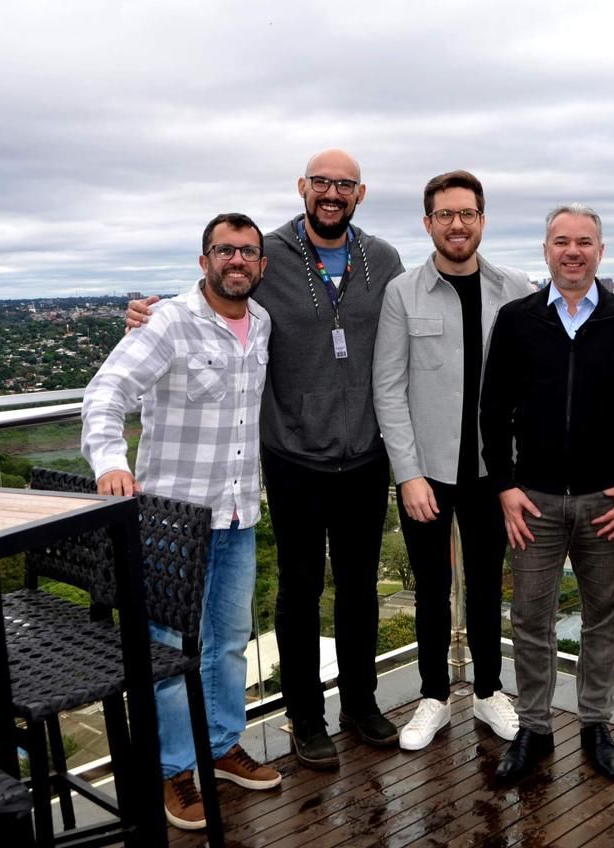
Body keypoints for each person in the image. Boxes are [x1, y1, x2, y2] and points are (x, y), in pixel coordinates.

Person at [127, 150, 405, 769]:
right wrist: (146, 315)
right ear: (303, 188)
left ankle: (361, 704)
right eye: (322, 183)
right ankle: (305, 717)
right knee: (300, 591)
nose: (333, 194)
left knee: (359, 589)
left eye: (346, 185)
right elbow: (213, 293)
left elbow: (416, 318)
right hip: (292, 458)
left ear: (361, 194)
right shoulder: (269, 254)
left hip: (365, 455)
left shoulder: (382, 259)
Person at [83, 213, 282, 831]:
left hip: (238, 514)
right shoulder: (168, 321)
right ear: (204, 261)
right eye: (225, 251)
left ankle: (220, 746)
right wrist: (111, 465)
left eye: (248, 252)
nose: (237, 261)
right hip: (171, 523)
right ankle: (172, 768)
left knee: (227, 645)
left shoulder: (263, 324)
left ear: (261, 264)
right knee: (167, 652)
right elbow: (105, 393)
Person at [480, 203, 614, 782]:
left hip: (607, 503)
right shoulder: (516, 319)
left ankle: (595, 722)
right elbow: (491, 411)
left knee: (603, 616)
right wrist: (504, 486)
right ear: (546, 251)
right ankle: (534, 727)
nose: (573, 251)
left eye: (585, 241)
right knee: (530, 617)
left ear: (601, 252)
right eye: (562, 241)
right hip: (532, 498)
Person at [372, 170, 532, 749]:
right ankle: (434, 697)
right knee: (432, 588)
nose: (457, 224)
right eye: (445, 215)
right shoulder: (402, 293)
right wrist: (408, 474)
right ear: (428, 223)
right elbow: (388, 388)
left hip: (495, 473)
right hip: (429, 476)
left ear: (482, 221)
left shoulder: (516, 288)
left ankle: (489, 693)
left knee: (491, 585)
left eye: (467, 214)